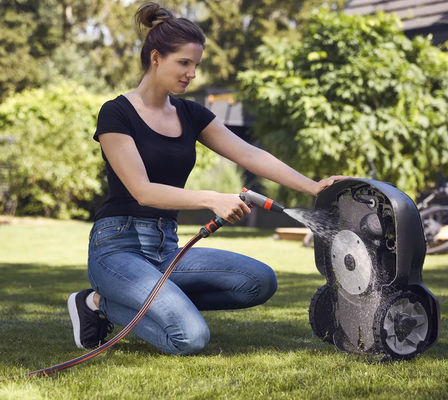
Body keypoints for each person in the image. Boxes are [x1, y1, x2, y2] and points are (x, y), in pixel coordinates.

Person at [67, 2, 347, 355]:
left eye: (195, 65)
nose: (192, 74)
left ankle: (155, 300)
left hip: (166, 246)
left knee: (258, 282)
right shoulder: (116, 112)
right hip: (118, 247)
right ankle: (96, 303)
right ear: (156, 58)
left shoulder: (191, 113)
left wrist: (312, 186)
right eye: (184, 63)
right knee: (190, 338)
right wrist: (212, 198)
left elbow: (249, 154)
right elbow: (142, 191)